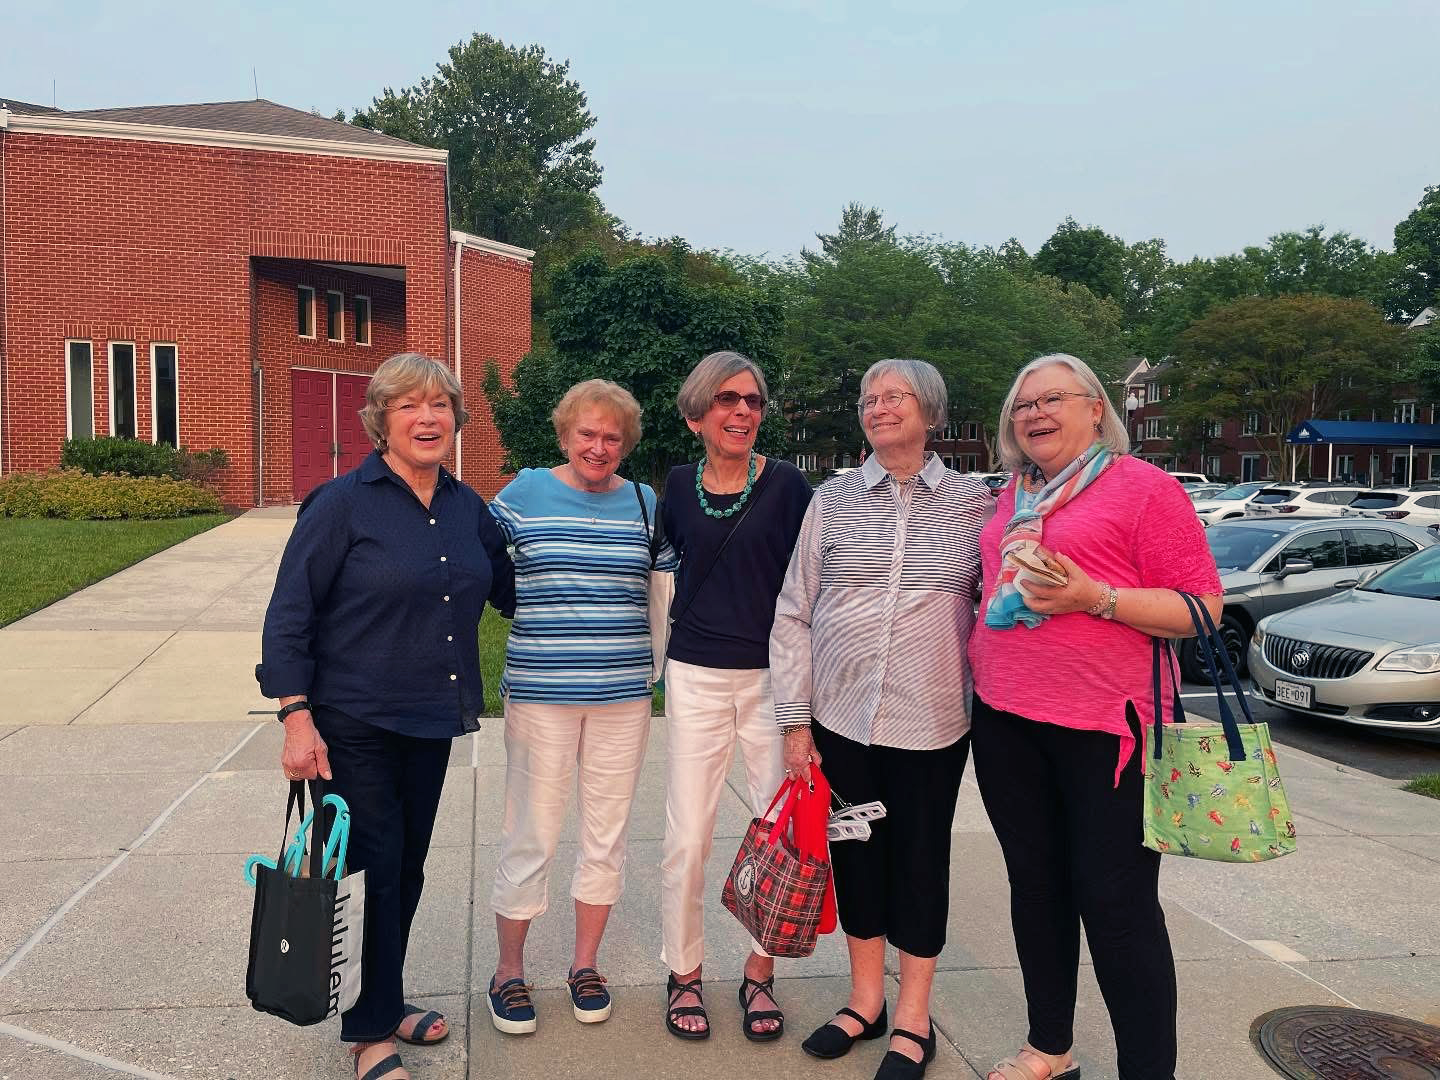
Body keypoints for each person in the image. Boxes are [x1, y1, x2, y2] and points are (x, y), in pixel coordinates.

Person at [261, 352, 516, 1080]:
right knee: (381, 866)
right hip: (352, 720)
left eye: (440, 405)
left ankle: (388, 996)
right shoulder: (341, 503)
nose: (428, 418)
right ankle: (370, 1036)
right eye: (410, 405)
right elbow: (289, 616)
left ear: (457, 421)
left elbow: (510, 587)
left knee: (407, 869)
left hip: (432, 715)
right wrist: (295, 718)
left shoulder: (469, 508)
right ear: (382, 419)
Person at [968, 353, 1222, 1080]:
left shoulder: (1145, 489)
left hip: (1111, 731)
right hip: (1008, 720)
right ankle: (1050, 1048)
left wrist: (1097, 598)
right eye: (1023, 405)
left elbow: (1203, 608)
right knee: (1036, 890)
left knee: (1117, 907)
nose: (1036, 414)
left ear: (1095, 409)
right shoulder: (1015, 495)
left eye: (1053, 399)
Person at [771, 358, 991, 1080]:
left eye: (894, 396)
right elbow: (795, 609)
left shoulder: (973, 504)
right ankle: (864, 1001)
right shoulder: (831, 499)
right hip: (839, 721)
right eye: (869, 398)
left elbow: (1001, 604)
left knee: (921, 863)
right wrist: (796, 721)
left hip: (930, 724)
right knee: (856, 859)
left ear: (931, 412)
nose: (878, 407)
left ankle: (913, 1018)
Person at [485, 378, 677, 1035]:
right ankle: (509, 971)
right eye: (588, 434)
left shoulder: (646, 503)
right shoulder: (526, 491)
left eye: (612, 437)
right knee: (531, 831)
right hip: (542, 697)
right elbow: (472, 558)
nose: (599, 447)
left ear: (627, 444)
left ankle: (584, 964)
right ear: (566, 435)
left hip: (623, 699)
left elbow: (668, 588)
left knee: (606, 834)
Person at [657, 350, 813, 1042]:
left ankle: (760, 972)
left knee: (783, 838)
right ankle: (683, 971)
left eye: (753, 400)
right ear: (697, 415)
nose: (743, 411)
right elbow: (659, 574)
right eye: (727, 399)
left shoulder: (785, 485)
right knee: (687, 836)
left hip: (770, 681)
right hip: (693, 676)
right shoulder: (674, 485)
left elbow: (812, 589)